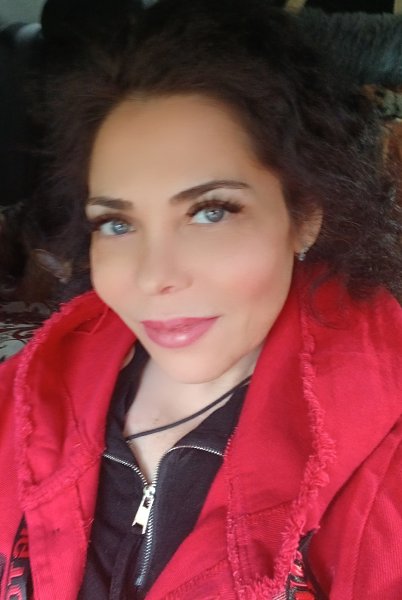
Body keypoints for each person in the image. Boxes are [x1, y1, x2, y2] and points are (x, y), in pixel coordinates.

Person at [1, 0, 402, 598]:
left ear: (304, 218)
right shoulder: (28, 391)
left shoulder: (387, 463)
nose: (153, 277)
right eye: (116, 223)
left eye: (210, 212)